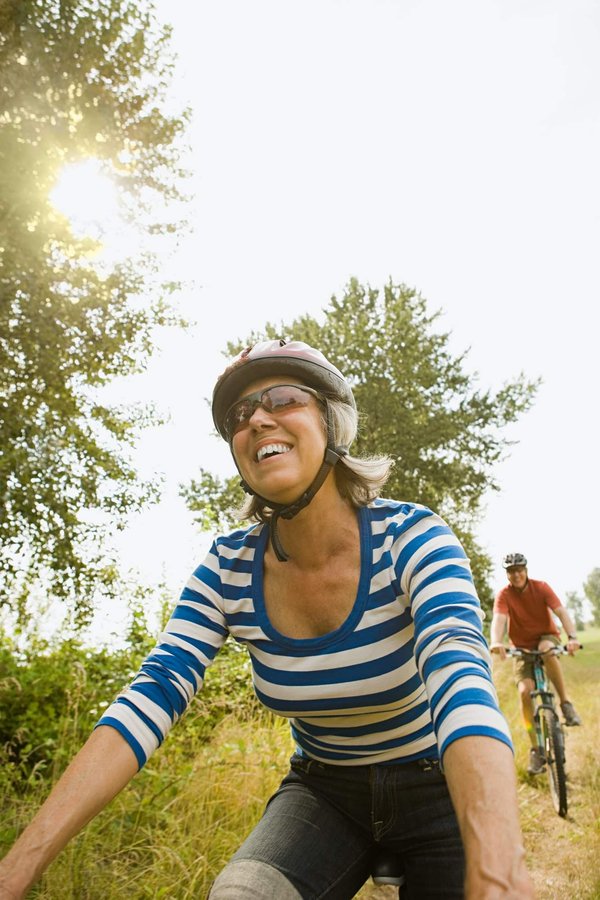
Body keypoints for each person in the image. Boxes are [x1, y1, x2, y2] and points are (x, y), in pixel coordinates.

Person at [0, 340, 534, 899]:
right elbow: (154, 691)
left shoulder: (412, 536)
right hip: (325, 791)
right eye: (239, 414)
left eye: (283, 399)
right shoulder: (226, 568)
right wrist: (16, 870)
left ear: (332, 423)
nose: (256, 419)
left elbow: (459, 674)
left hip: (438, 780)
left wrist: (497, 869)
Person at [490, 552, 582, 776]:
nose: (516, 575)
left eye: (519, 570)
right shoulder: (504, 595)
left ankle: (565, 704)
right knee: (525, 691)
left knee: (547, 649)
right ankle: (536, 749)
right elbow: (499, 620)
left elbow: (561, 612)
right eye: (511, 571)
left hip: (546, 637)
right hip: (521, 647)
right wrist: (496, 641)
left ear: (526, 570)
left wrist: (572, 637)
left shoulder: (541, 588)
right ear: (507, 574)